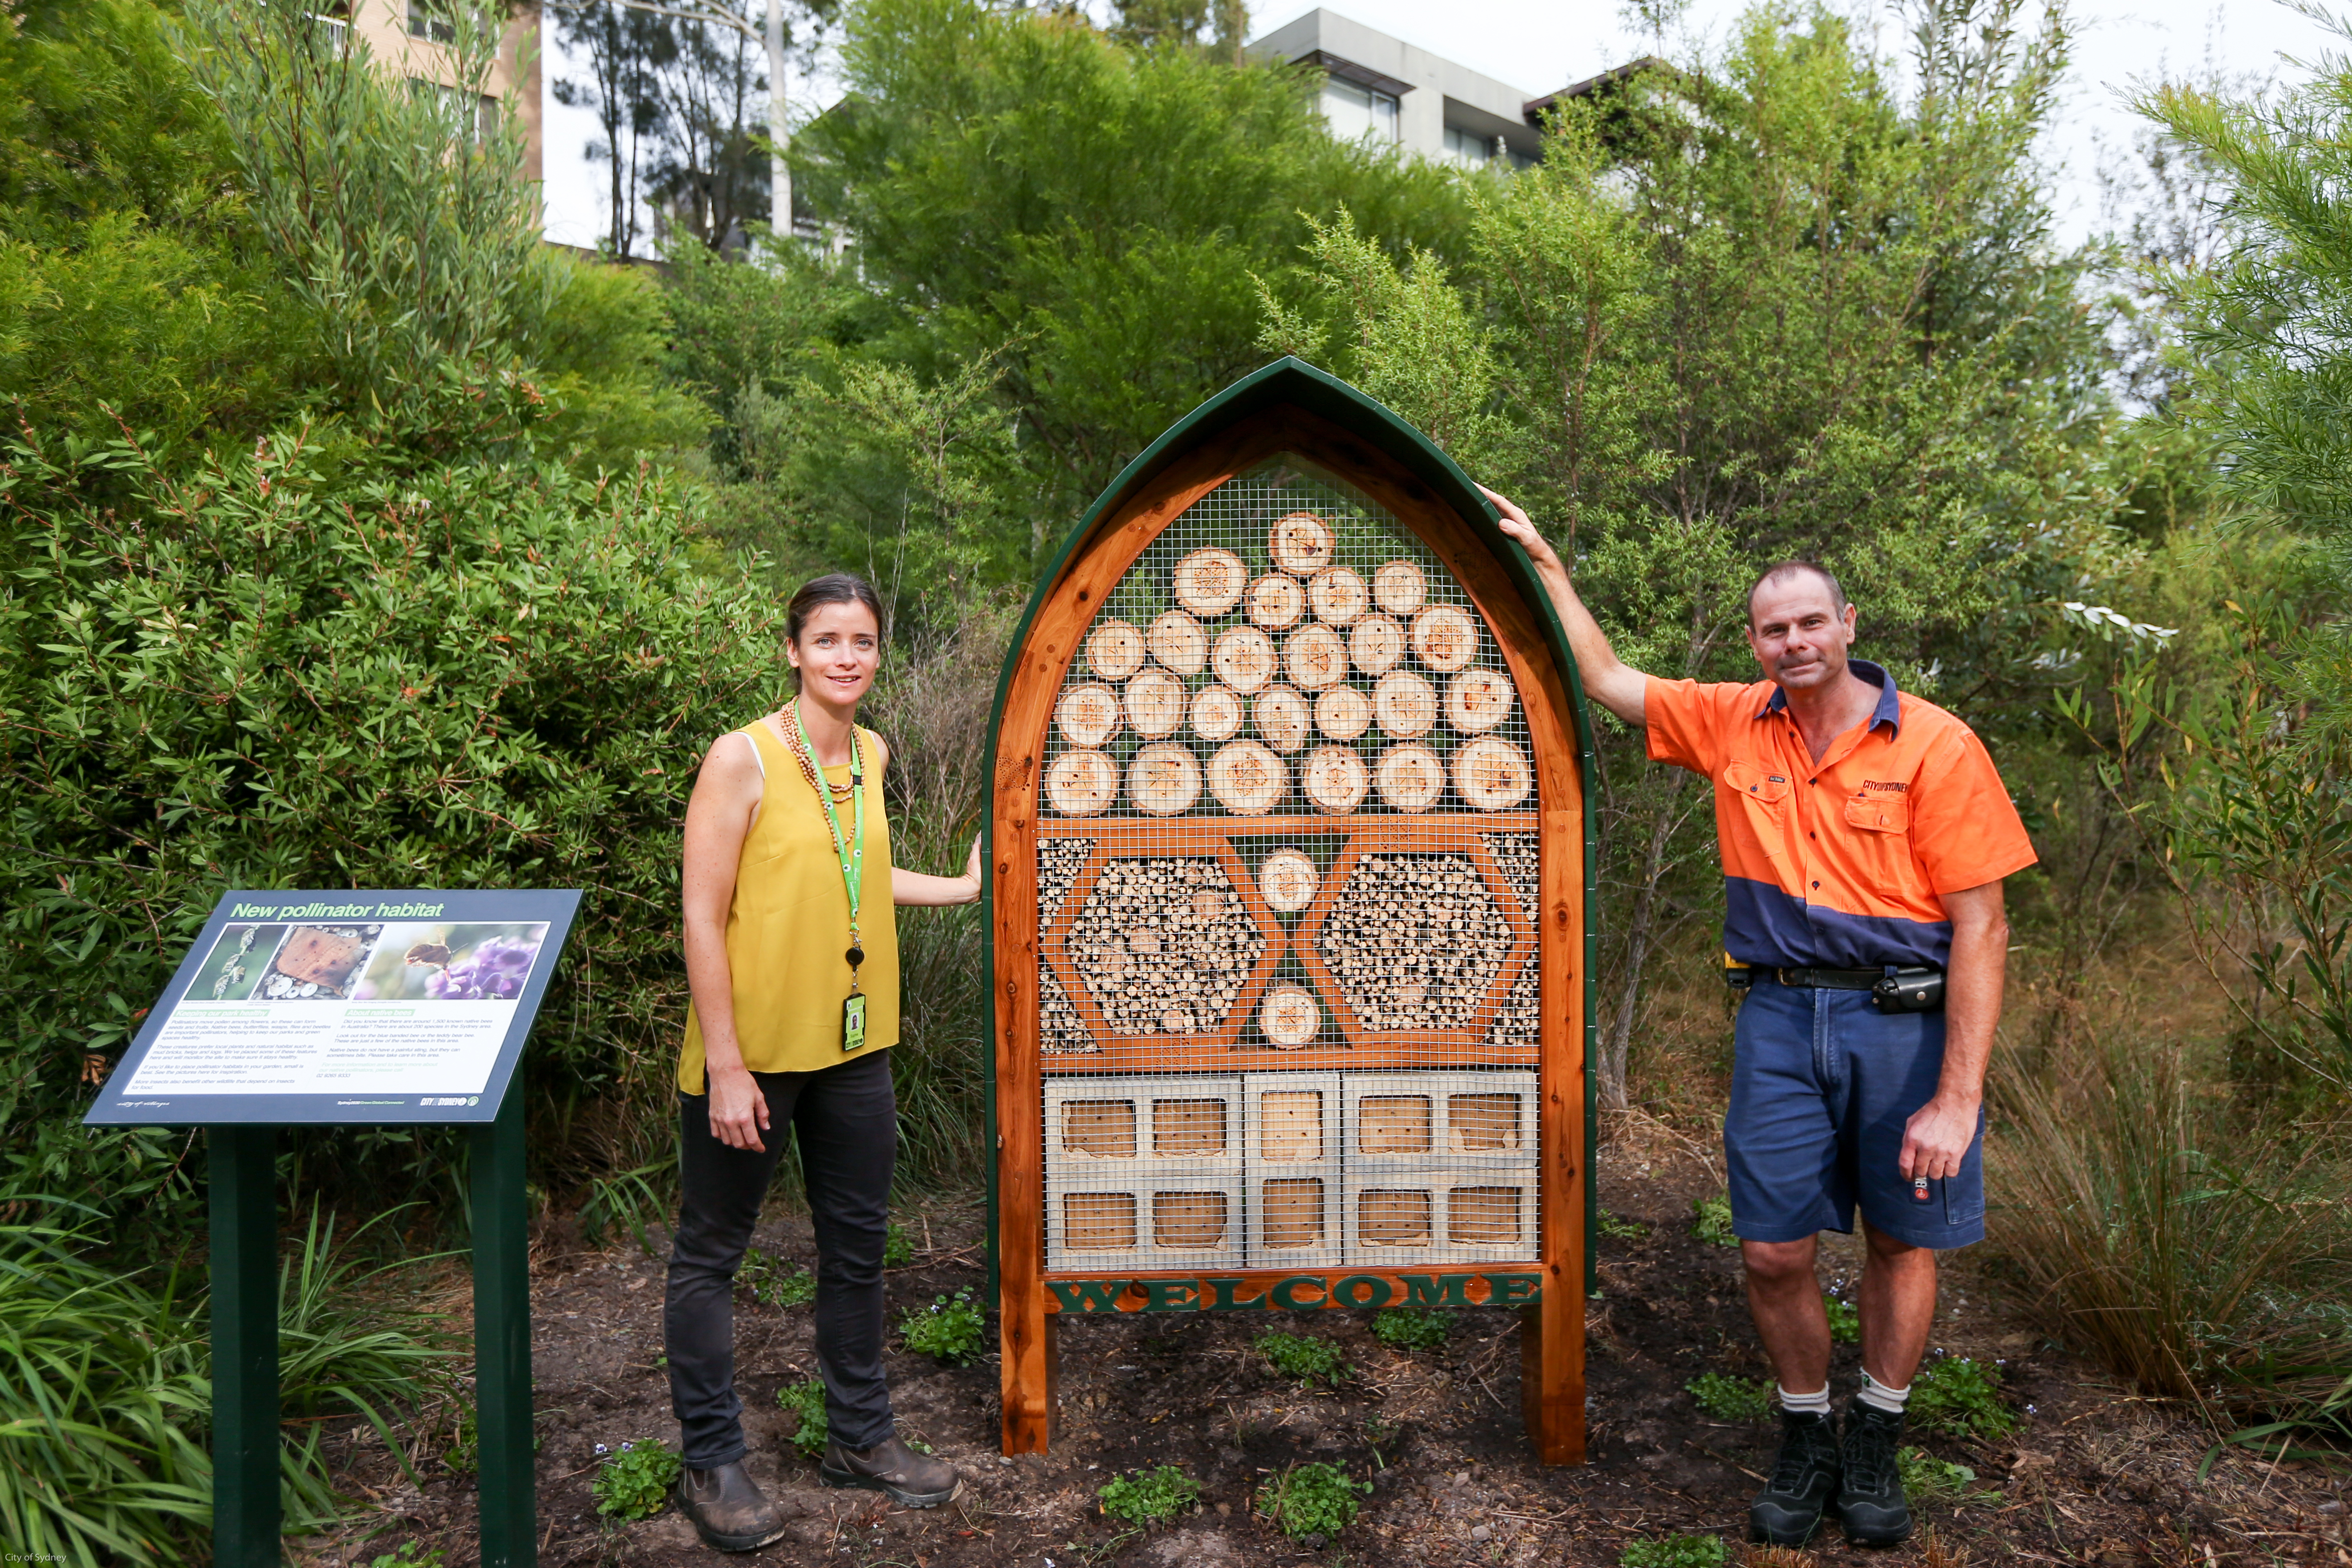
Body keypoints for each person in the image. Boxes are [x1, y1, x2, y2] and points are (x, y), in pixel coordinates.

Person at [1485, 488, 2035, 1548]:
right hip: (1780, 1022)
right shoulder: (1734, 718)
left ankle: (1875, 1431)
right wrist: (1549, 565)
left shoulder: (1937, 746)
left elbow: (1985, 929)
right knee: (1774, 1252)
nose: (1794, 642)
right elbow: (1606, 680)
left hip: (1904, 1026)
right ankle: (1804, 1430)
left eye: (1810, 622)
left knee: (1900, 1241)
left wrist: (1958, 1099)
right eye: (1774, 628)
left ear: (1848, 626)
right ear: (1756, 642)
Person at [664, 573, 982, 1552]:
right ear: (794, 651)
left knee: (857, 1245)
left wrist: (963, 887)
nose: (849, 656)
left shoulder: (871, 752)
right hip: (752, 1055)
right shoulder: (743, 758)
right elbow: (701, 914)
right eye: (829, 639)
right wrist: (726, 1065)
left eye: (865, 641)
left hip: (855, 1048)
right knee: (712, 1254)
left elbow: (855, 869)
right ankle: (711, 1462)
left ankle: (861, 1437)